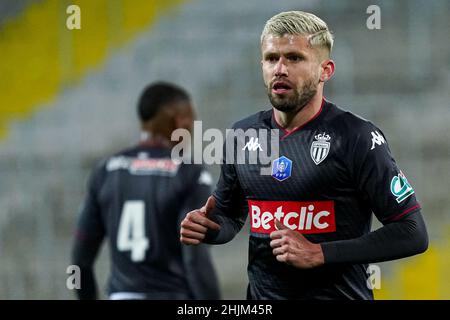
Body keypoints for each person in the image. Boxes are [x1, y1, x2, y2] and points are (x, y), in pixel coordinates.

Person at [180, 11, 428, 299]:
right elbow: (230, 216)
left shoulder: (356, 137)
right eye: (272, 58)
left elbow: (412, 232)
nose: (280, 69)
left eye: (294, 58)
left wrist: (319, 252)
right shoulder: (244, 134)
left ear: (326, 70)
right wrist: (210, 229)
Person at [71, 82, 221, 300]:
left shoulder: (105, 171)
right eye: (192, 123)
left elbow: (78, 261)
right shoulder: (190, 174)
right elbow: (195, 259)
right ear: (179, 122)